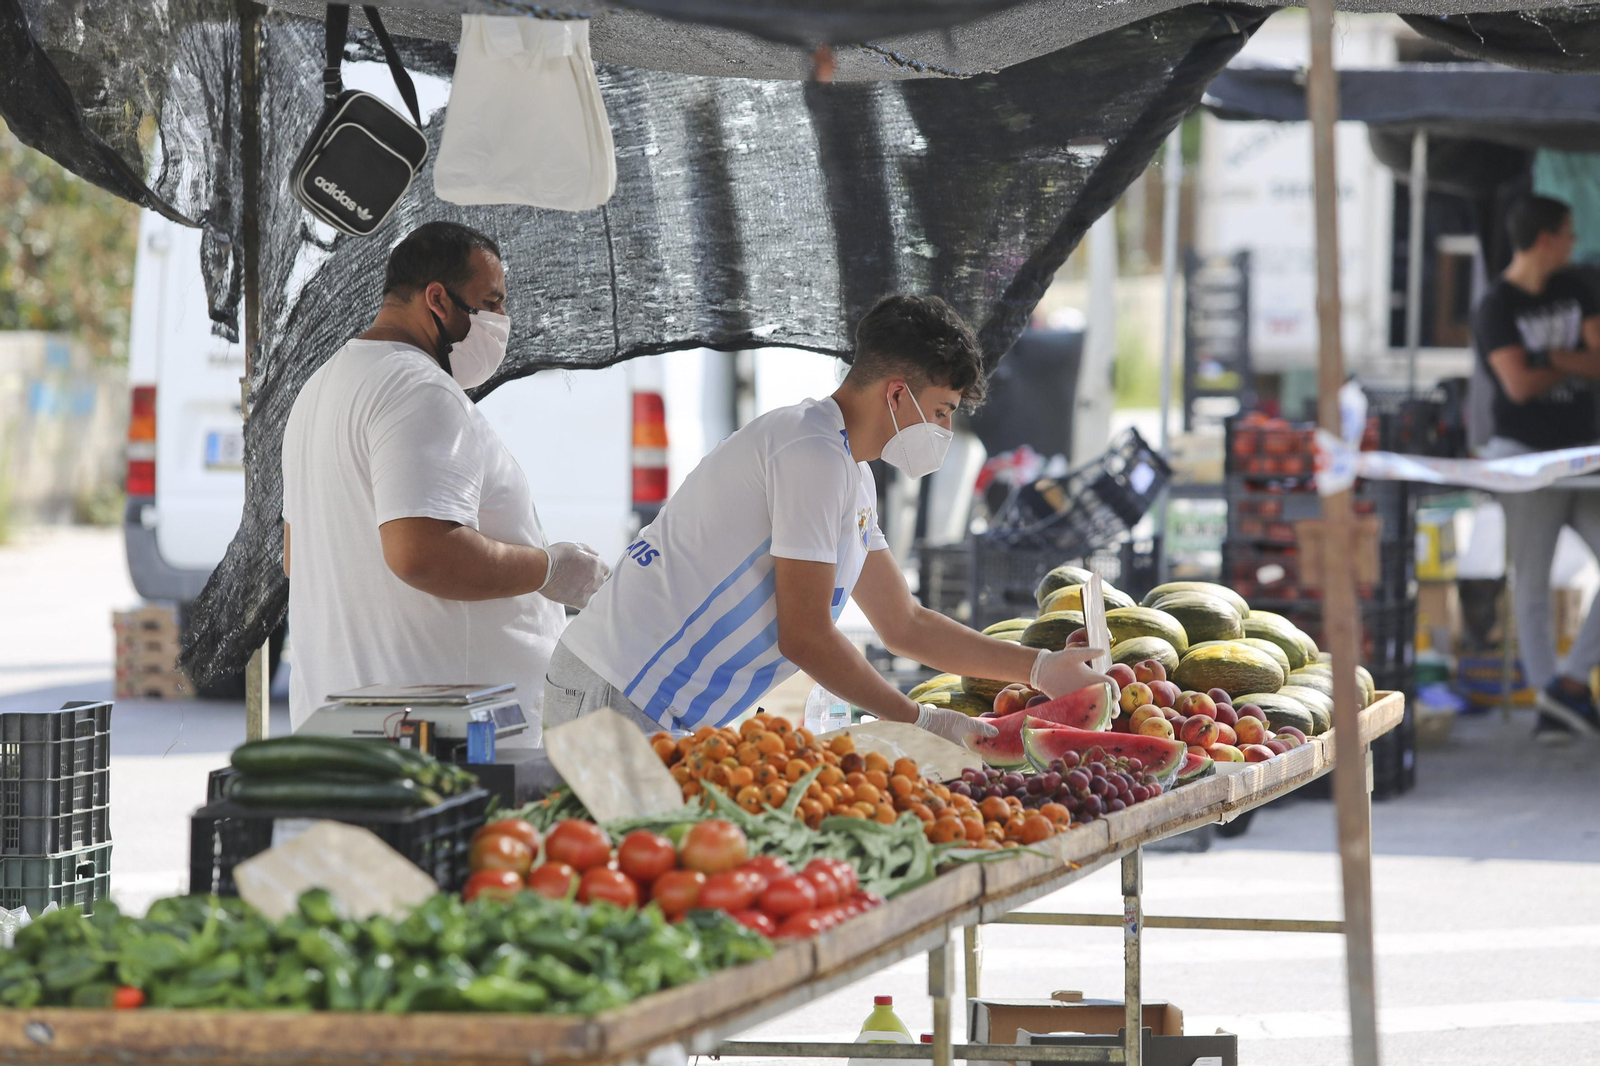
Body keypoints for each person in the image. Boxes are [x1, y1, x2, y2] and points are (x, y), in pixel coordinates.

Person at [544, 294, 1114, 743]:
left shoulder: (849, 469)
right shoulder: (809, 453)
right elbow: (807, 636)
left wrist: (1040, 668)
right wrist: (920, 720)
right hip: (615, 691)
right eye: (941, 411)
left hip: (659, 702)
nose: (943, 431)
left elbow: (904, 623)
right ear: (897, 395)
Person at [280, 221, 610, 743]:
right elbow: (423, 554)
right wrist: (550, 570)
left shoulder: (322, 388)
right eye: (492, 302)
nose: (502, 321)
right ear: (438, 298)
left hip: (358, 729)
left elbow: (297, 558)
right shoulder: (419, 389)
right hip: (440, 742)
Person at [1474, 195, 1600, 742]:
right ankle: (1552, 697)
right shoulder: (1496, 305)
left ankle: (1567, 687)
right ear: (1546, 239)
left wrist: (1547, 359)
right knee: (1532, 578)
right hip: (1523, 456)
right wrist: (1568, 362)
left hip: (1585, 453)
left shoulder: (1579, 284)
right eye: (1568, 233)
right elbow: (1516, 387)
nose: (1574, 243)